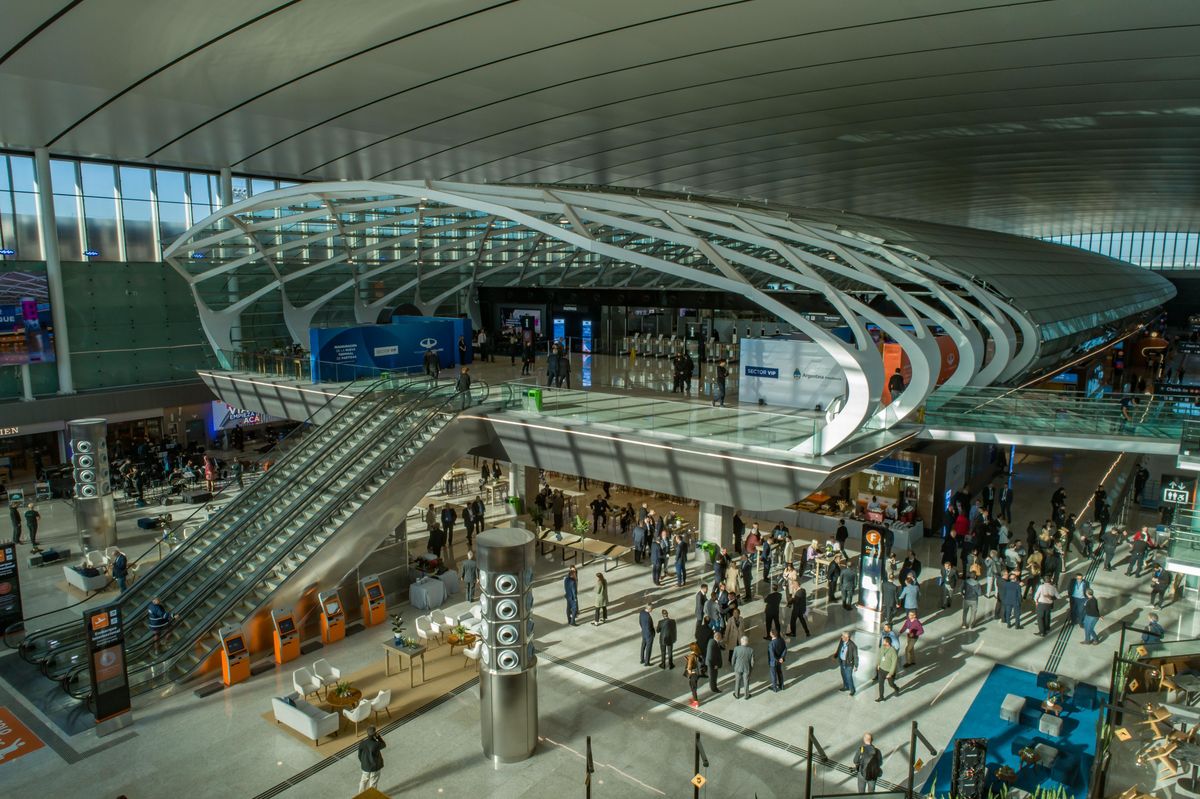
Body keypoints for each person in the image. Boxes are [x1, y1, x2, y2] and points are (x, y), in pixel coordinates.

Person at [357, 726, 387, 793]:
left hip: (365, 767)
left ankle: (360, 795)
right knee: (373, 783)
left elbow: (359, 755)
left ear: (367, 733)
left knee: (363, 781)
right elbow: (384, 745)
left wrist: (364, 763)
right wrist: (378, 737)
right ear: (375, 734)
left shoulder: (362, 743)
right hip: (374, 768)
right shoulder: (376, 744)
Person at [832, 631, 858, 695]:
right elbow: (839, 649)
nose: (841, 637)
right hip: (842, 662)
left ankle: (852, 690)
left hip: (848, 664)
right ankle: (846, 686)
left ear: (847, 638)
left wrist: (856, 665)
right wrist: (835, 656)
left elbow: (855, 656)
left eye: (843, 636)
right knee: (843, 675)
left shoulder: (853, 646)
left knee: (849, 677)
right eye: (842, 636)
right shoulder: (842, 641)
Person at [874, 637, 900, 702]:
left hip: (888, 672)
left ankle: (896, 688)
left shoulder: (893, 651)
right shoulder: (882, 647)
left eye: (884, 641)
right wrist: (878, 664)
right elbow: (879, 656)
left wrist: (890, 673)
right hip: (881, 670)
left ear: (887, 643)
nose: (883, 642)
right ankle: (881, 697)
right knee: (880, 684)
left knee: (891, 684)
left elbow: (894, 663)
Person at [732, 635, 754, 699]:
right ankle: (746, 695)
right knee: (746, 682)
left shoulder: (736, 648)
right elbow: (752, 662)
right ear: (747, 642)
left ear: (741, 642)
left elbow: (733, 659)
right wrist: (751, 669)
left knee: (737, 681)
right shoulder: (751, 650)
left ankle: (737, 695)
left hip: (738, 668)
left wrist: (733, 665)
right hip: (746, 668)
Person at [684, 643, 703, 707]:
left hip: (693, 674)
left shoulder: (691, 656)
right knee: (694, 686)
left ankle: (695, 702)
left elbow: (689, 667)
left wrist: (689, 672)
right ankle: (694, 698)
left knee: (693, 687)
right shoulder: (698, 654)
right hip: (697, 674)